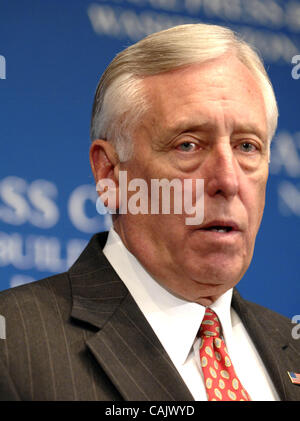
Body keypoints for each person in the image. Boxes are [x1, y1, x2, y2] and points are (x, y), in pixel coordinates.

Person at [0, 23, 299, 402]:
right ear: (110, 174)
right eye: (188, 145)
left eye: (247, 146)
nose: (228, 179)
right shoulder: (14, 348)